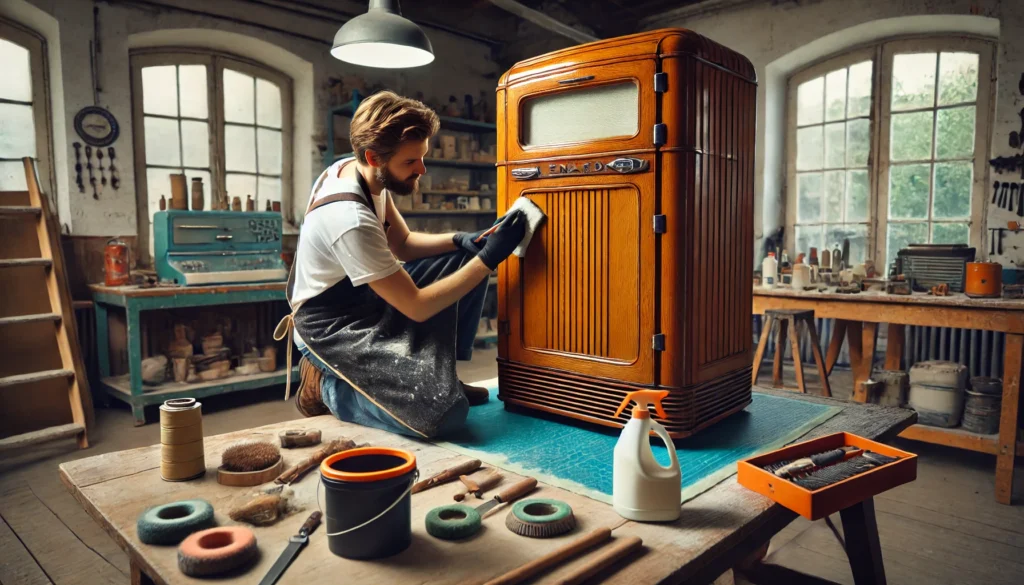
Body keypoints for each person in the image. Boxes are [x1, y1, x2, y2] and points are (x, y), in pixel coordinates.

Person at [275, 91, 525, 439]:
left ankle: (444, 377)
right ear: (374, 157)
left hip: (364, 295)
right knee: (443, 417)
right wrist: (488, 260)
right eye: (411, 162)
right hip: (331, 324)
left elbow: (404, 245)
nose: (422, 169)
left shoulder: (364, 172)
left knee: (462, 258)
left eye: (421, 157)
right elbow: (417, 307)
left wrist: (463, 240)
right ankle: (328, 388)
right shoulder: (349, 217)